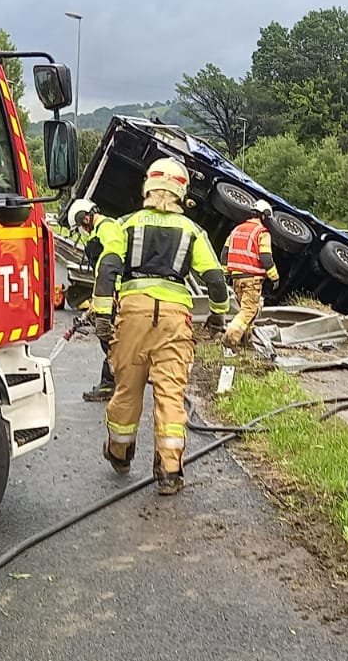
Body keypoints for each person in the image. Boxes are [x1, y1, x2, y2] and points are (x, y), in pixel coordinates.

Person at [92, 157, 230, 496]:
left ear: (148, 188)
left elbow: (108, 269)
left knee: (127, 388)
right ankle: (169, 470)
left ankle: (120, 452)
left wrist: (102, 316)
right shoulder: (192, 232)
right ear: (181, 191)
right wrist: (218, 315)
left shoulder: (126, 225)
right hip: (174, 319)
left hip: (133, 315)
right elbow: (214, 280)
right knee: (171, 393)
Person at [66, 198, 126, 401]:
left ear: (84, 218)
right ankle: (113, 382)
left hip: (116, 294)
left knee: (110, 339)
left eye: (79, 227)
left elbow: (110, 266)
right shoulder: (101, 231)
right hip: (112, 292)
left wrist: (105, 303)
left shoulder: (107, 228)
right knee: (110, 341)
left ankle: (115, 384)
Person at [221, 199, 279, 347]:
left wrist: (226, 273)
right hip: (251, 279)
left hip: (236, 278)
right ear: (264, 216)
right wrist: (274, 277)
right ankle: (230, 337)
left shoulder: (237, 230)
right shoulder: (262, 233)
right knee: (249, 311)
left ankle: (246, 342)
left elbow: (224, 253)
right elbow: (266, 257)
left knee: (246, 312)